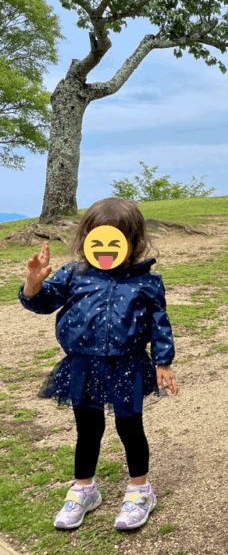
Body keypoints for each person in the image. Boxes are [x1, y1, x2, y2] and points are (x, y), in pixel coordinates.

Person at [18, 197, 178, 531]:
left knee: (130, 428)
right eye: (97, 239)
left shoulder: (146, 281)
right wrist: (34, 282)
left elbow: (159, 323)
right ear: (86, 240)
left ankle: (140, 491)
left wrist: (164, 362)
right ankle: (84, 489)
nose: (105, 248)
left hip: (128, 366)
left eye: (116, 240)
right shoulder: (74, 274)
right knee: (88, 429)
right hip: (83, 365)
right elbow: (42, 302)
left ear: (133, 242)